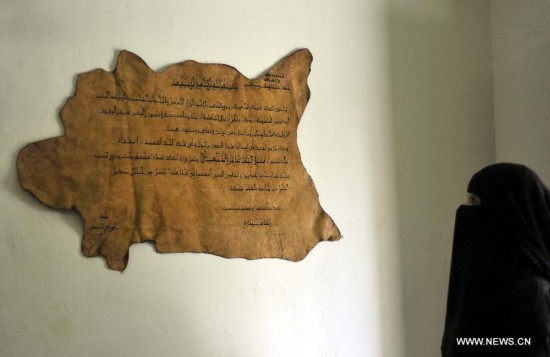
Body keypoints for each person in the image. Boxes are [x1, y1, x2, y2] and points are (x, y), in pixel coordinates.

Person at [441, 163, 550, 356]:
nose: (464, 207)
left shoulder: (532, 292)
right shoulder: (494, 279)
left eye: (474, 200)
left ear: (506, 214)